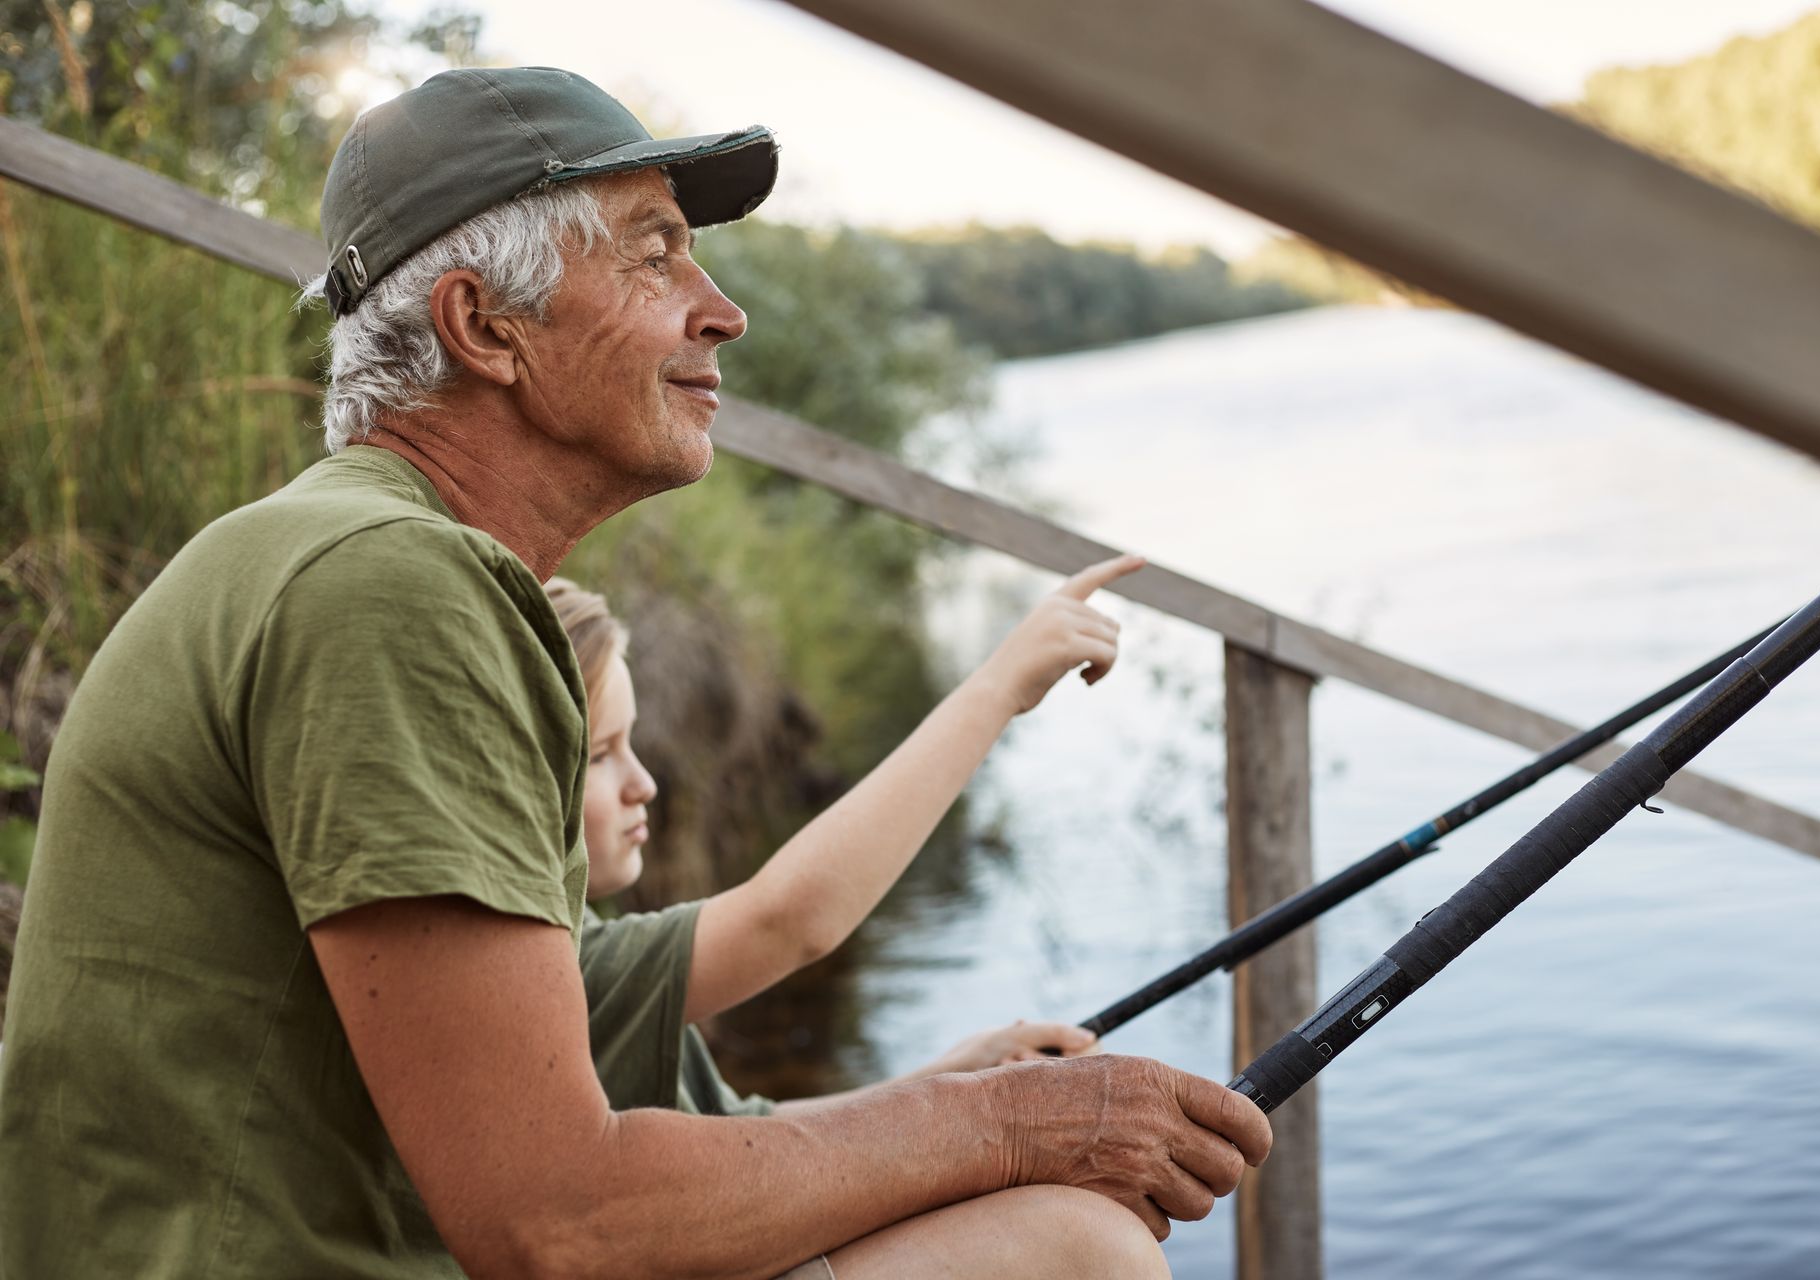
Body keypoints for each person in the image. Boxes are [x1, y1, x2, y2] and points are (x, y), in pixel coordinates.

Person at [0, 67, 1271, 1279]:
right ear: (483, 325)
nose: (722, 307)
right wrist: (1023, 1126)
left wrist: (967, 1106)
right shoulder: (386, 587)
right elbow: (563, 1224)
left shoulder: (358, 560)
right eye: (655, 252)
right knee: (1069, 1243)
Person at [547, 572, 1112, 1122]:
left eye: (632, 743)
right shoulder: (564, 973)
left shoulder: (578, 948)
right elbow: (788, 921)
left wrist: (954, 1080)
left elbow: (744, 1130)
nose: (643, 784)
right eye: (599, 755)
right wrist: (1002, 685)